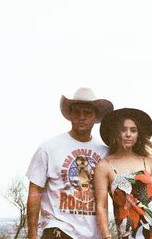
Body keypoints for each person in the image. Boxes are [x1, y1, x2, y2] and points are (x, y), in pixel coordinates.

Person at [26, 87, 114, 239]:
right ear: (70, 115)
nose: (81, 117)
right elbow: (35, 191)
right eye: (77, 112)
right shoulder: (49, 148)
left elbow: (116, 193)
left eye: (87, 113)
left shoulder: (105, 153)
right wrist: (32, 235)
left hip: (93, 233)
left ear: (95, 117)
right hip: (58, 228)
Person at [95, 108, 152, 239]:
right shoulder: (105, 166)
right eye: (123, 130)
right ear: (115, 133)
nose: (128, 134)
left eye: (133, 130)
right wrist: (106, 236)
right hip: (130, 231)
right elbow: (101, 206)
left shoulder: (146, 160)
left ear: (138, 134)